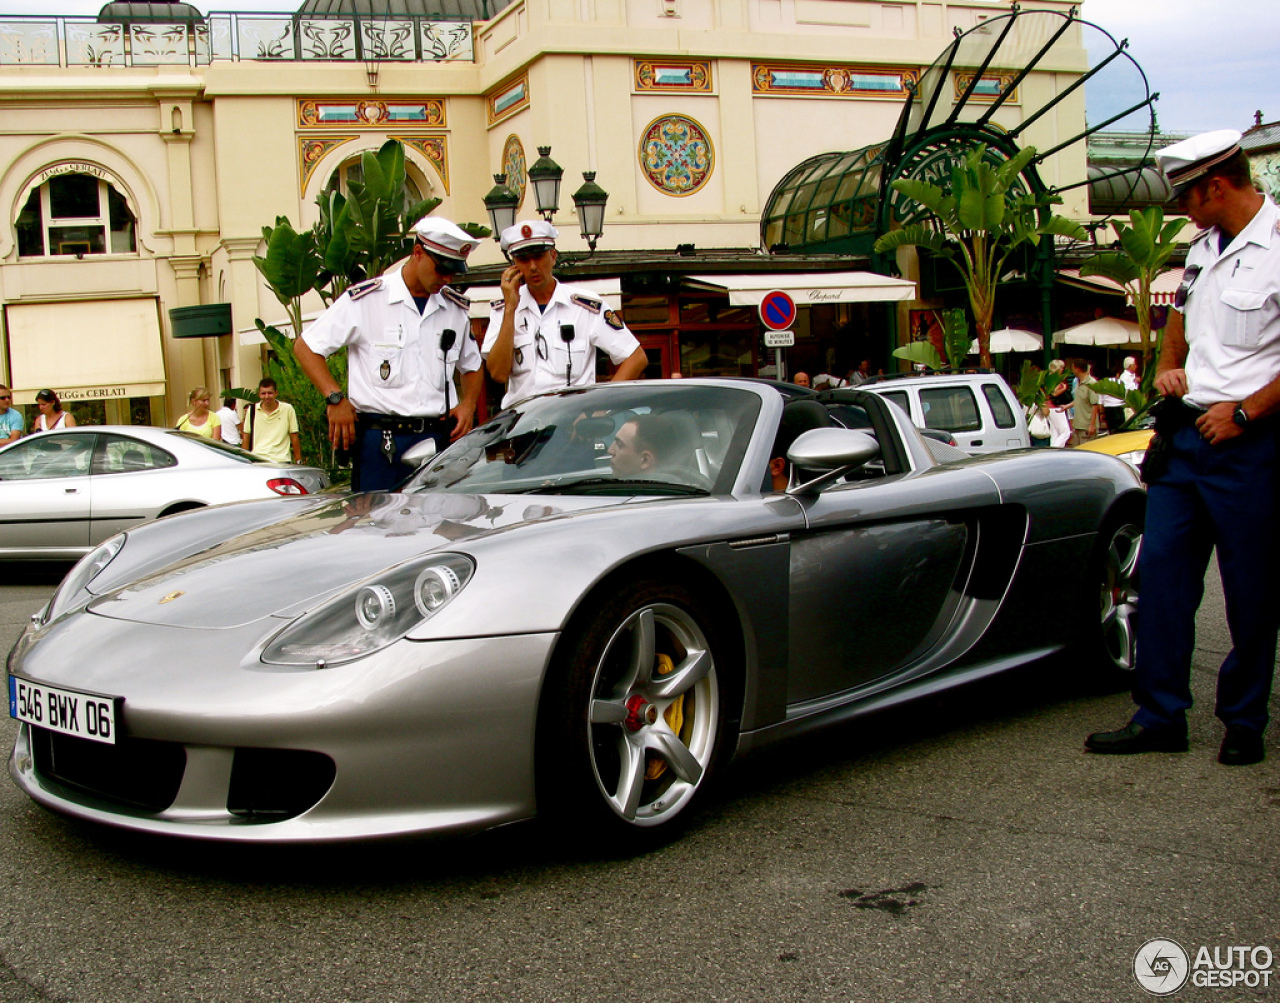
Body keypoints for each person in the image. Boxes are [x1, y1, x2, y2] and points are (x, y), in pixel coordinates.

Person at [1086, 129, 1280, 767]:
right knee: (1162, 578)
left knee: (1252, 590)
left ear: (1217, 185)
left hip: (1250, 442)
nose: (1182, 211)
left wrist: (1247, 413)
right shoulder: (1201, 249)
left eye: (1187, 198)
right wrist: (1169, 370)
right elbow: (1180, 323)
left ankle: (1244, 720)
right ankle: (1160, 714)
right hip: (1186, 436)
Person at [295, 216, 482, 491]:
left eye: (453, 272)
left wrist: (468, 405)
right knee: (378, 528)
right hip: (383, 444)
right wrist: (334, 398)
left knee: (440, 528)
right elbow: (306, 347)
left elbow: (472, 365)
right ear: (418, 252)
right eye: (441, 269)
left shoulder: (453, 310)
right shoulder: (367, 300)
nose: (447, 278)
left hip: (439, 440)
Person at [482, 220, 646, 409]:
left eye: (539, 256)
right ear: (514, 265)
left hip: (571, 421)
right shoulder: (503, 309)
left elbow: (635, 357)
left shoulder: (585, 306)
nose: (533, 266)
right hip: (521, 422)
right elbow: (498, 374)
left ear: (553, 256)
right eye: (524, 260)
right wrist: (510, 309)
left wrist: (601, 407)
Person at [242, 378, 302, 464]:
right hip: (258, 460)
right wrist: (244, 462)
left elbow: (294, 436)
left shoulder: (287, 409)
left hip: (281, 461)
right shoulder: (252, 410)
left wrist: (298, 460)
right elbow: (246, 436)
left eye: (270, 393)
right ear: (259, 394)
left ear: (276, 393)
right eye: (263, 393)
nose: (267, 396)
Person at [1068, 359, 1098, 444]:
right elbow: (1078, 400)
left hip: (1086, 426)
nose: (1072, 371)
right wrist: (1067, 406)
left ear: (1078, 369)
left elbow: (1094, 405)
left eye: (1073, 369)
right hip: (1077, 425)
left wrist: (1092, 425)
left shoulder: (1091, 383)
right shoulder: (1077, 382)